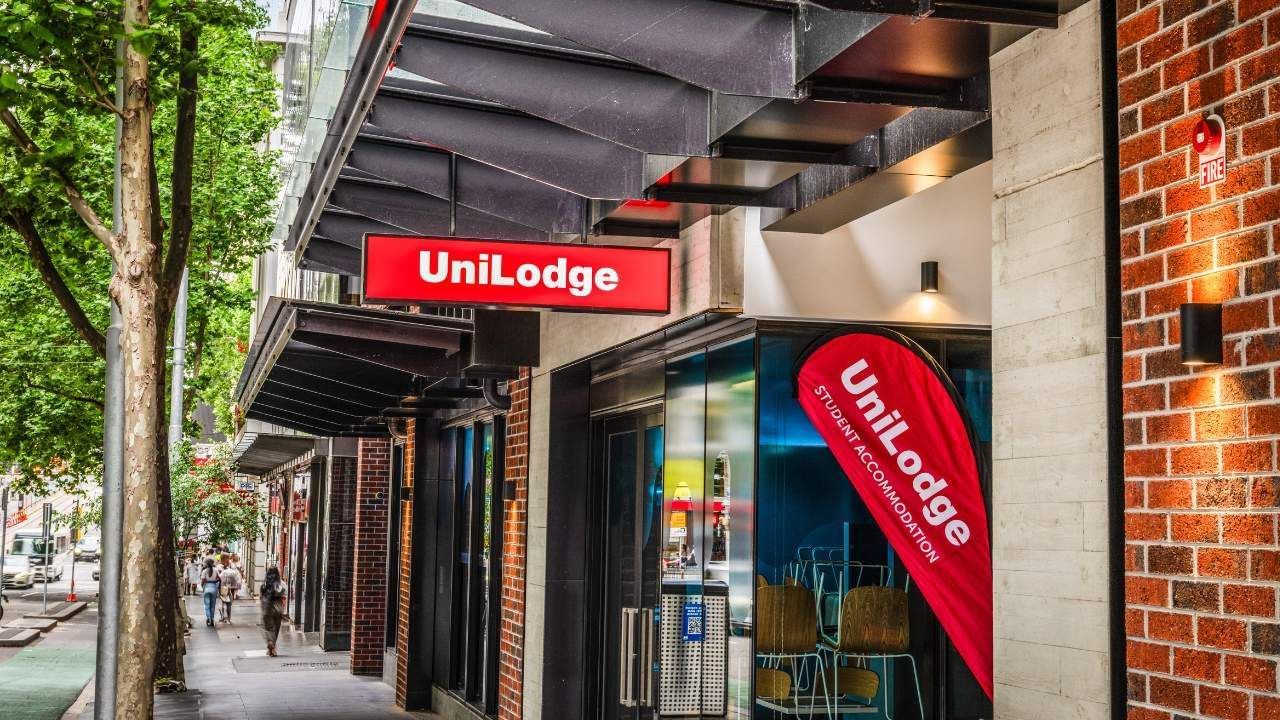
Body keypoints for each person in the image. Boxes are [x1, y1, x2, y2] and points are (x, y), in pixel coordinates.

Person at [260, 565, 287, 656]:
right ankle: (273, 649)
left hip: (267, 608)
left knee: (268, 628)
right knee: (276, 628)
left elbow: (261, 596)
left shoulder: (265, 584)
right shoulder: (281, 583)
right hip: (278, 608)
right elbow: (284, 596)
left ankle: (270, 642)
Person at [199, 559, 221, 627]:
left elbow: (202, 581)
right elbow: (219, 579)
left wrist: (203, 587)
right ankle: (212, 618)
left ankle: (208, 618)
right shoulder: (216, 570)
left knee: (207, 605)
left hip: (206, 587)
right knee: (212, 605)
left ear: (206, 564)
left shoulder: (204, 571)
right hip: (214, 587)